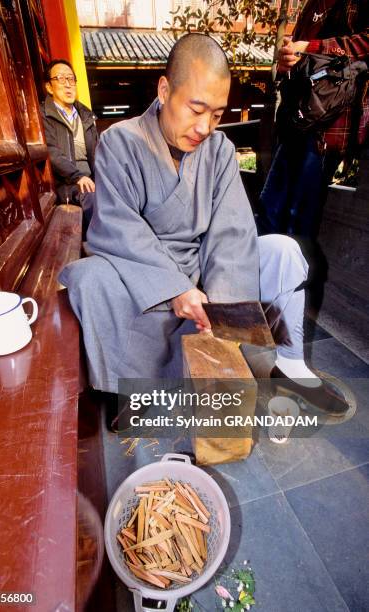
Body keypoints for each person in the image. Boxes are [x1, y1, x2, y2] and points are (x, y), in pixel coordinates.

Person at [60, 34, 349, 418]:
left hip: (203, 265)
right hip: (143, 272)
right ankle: (134, 391)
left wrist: (222, 311)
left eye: (216, 114)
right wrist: (176, 287)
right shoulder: (120, 142)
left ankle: (290, 364)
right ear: (165, 90)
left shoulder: (220, 150)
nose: (204, 127)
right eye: (195, 109)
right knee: (91, 278)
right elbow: (119, 227)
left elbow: (231, 232)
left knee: (282, 250)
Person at [258, 0, 369, 238]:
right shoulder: (312, 5)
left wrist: (312, 47)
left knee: (297, 222)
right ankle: (260, 272)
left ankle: (293, 274)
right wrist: (287, 58)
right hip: (296, 119)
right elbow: (297, 55)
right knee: (268, 212)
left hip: (329, 125)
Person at [40, 59, 98, 228]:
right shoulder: (43, 115)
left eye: (71, 79)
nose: (68, 85)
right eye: (61, 79)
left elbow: (99, 151)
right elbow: (51, 152)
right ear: (49, 87)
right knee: (94, 201)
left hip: (92, 179)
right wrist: (77, 176)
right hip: (68, 182)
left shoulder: (86, 115)